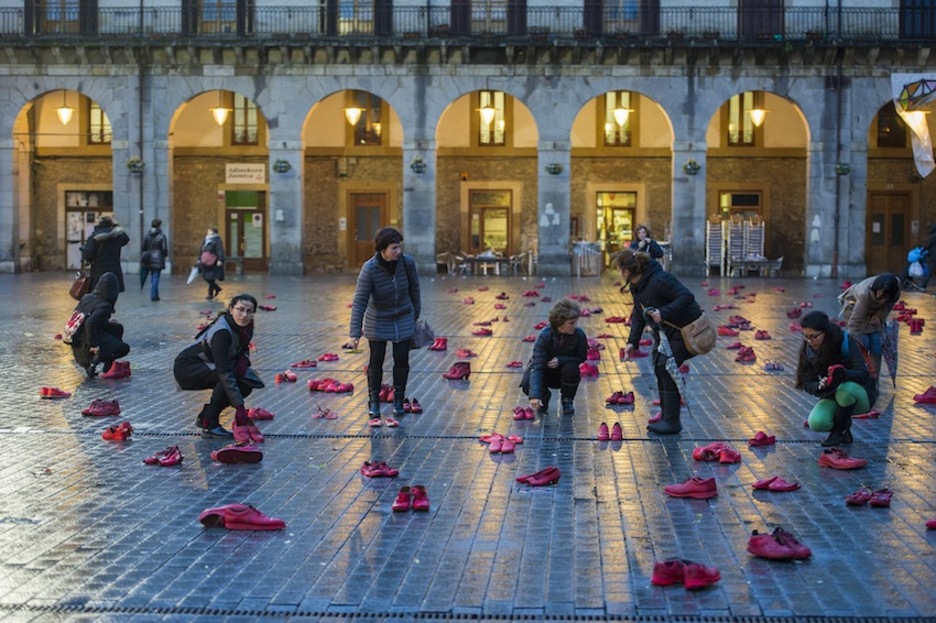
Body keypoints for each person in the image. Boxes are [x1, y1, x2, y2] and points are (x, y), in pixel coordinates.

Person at [617, 249, 703, 434]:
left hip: (685, 330)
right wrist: (633, 342)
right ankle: (667, 418)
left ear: (627, 271)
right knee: (659, 367)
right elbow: (639, 314)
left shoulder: (659, 279)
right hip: (666, 334)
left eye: (619, 270)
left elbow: (686, 296)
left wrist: (664, 312)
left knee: (666, 367)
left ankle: (672, 422)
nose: (619, 274)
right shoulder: (636, 286)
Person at [348, 227, 421, 427]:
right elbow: (360, 301)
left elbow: (414, 289)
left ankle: (398, 398)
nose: (399, 251)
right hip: (378, 317)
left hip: (403, 315)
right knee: (376, 360)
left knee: (401, 359)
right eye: (394, 248)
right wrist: (354, 334)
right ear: (383, 250)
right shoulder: (370, 269)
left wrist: (414, 315)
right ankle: (374, 402)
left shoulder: (407, 263)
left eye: (400, 247)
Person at [173, 293, 263, 441]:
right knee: (230, 377)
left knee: (246, 384)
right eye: (240, 309)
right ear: (231, 309)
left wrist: (243, 364)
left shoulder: (246, 327)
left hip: (210, 364)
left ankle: (206, 416)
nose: (244, 315)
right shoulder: (222, 332)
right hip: (189, 367)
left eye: (249, 311)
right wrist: (240, 407)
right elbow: (224, 371)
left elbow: (242, 347)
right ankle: (210, 423)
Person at [795, 310, 878, 447]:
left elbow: (863, 374)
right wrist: (818, 385)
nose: (809, 341)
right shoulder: (808, 350)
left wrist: (844, 374)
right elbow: (805, 381)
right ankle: (844, 428)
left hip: (860, 395)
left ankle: (838, 432)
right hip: (833, 395)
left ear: (825, 332)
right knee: (817, 422)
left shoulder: (844, 341)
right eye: (806, 336)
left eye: (814, 336)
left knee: (844, 390)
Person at [520, 298, 587, 416]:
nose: (575, 326)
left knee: (571, 368)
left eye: (576, 322)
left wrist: (561, 360)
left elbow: (581, 358)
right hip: (546, 372)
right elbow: (537, 366)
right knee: (527, 384)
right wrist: (535, 395)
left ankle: (567, 400)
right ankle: (544, 398)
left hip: (564, 374)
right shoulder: (545, 336)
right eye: (571, 323)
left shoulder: (579, 335)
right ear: (560, 324)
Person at [837, 273, 900, 384]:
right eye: (880, 297)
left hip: (874, 314)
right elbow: (855, 322)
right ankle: (862, 378)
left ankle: (873, 381)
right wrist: (854, 342)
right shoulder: (864, 294)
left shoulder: (896, 288)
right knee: (864, 343)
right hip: (853, 309)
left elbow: (889, 305)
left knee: (877, 345)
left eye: (885, 298)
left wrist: (879, 316)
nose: (882, 301)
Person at [69, 272, 130, 378]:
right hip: (87, 348)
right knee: (124, 348)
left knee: (117, 328)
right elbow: (90, 322)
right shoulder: (104, 306)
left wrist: (107, 323)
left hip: (77, 347)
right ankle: (94, 362)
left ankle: (93, 365)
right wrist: (94, 345)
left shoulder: (87, 297)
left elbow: (84, 319)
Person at [80, 215, 130, 292]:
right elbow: (126, 239)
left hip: (98, 271)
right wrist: (116, 225)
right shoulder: (117, 236)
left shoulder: (94, 236)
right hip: (114, 270)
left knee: (98, 292)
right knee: (112, 292)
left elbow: (88, 254)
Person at [140, 218, 168, 301]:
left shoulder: (147, 235)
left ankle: (155, 294)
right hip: (158, 259)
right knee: (155, 276)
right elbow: (164, 249)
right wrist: (164, 255)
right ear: (159, 225)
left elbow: (143, 247)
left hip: (149, 259)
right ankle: (154, 295)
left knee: (153, 276)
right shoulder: (162, 236)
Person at [200, 226, 226, 300]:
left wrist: (220, 259)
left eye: (210, 231)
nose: (208, 232)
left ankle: (210, 294)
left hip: (213, 261)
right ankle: (216, 287)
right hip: (205, 261)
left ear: (214, 232)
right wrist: (199, 258)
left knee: (211, 277)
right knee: (205, 277)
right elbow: (201, 249)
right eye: (208, 231)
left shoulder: (217, 240)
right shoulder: (206, 239)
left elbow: (220, 249)